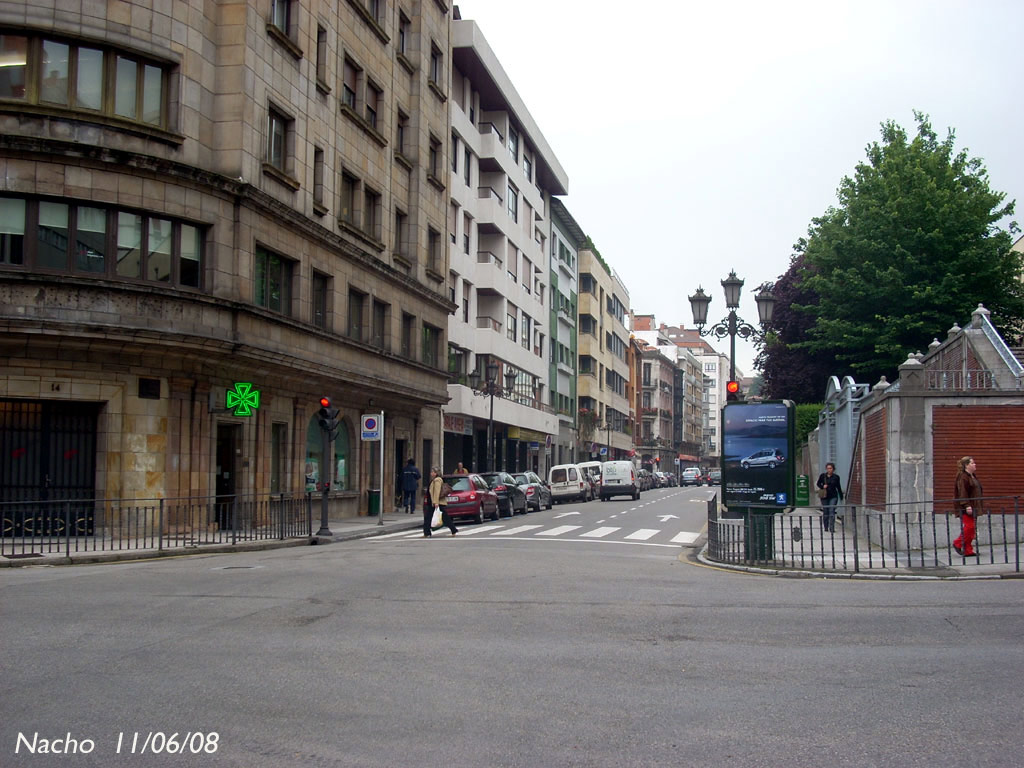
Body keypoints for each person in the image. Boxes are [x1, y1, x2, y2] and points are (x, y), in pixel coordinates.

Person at [953, 456, 982, 557]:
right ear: (966, 465)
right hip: (965, 507)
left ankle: (968, 550)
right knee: (970, 527)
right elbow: (963, 492)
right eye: (972, 463)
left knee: (972, 528)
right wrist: (967, 505)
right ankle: (957, 543)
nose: (975, 465)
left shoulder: (972, 476)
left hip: (974, 506)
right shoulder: (963, 477)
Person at [425, 467, 457, 537]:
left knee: (443, 517)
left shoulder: (437, 480)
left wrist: (436, 502)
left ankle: (453, 529)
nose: (431, 473)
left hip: (436, 502)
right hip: (432, 502)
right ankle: (427, 532)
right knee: (430, 517)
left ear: (436, 473)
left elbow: (437, 491)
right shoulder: (434, 480)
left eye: (432, 472)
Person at [817, 462, 843, 533]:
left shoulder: (836, 477)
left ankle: (832, 528)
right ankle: (826, 526)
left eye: (830, 468)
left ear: (833, 469)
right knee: (826, 511)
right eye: (828, 468)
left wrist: (841, 495)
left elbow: (838, 487)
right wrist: (822, 486)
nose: (829, 470)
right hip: (824, 496)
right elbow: (818, 483)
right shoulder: (823, 476)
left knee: (832, 511)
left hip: (833, 496)